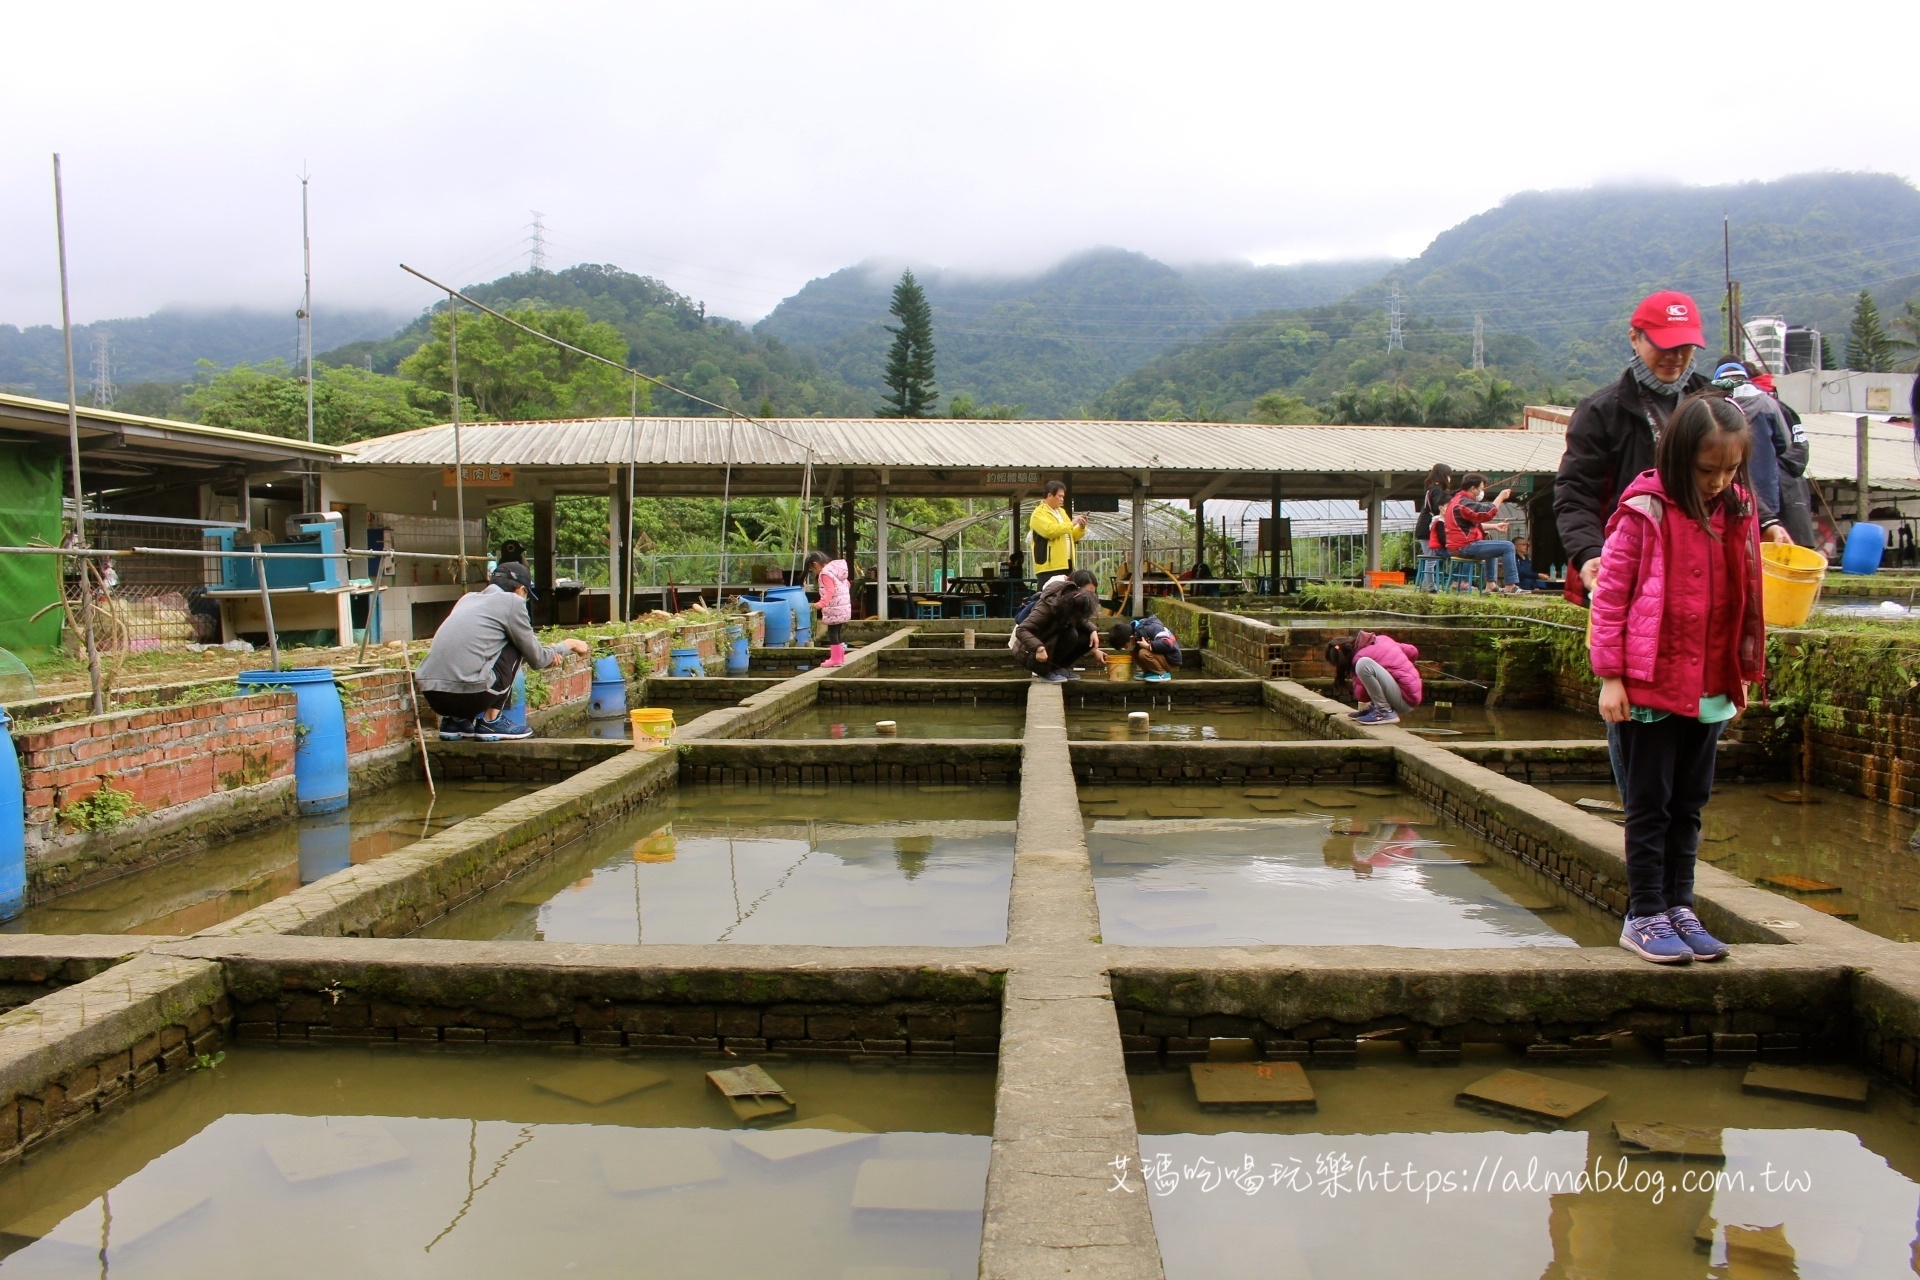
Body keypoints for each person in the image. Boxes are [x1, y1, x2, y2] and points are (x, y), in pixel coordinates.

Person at [1587, 393, 1765, 965]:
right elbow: (1610, 599)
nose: (1718, 481)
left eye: (1731, 470)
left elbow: (1748, 595)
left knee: (1690, 800)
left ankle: (1679, 906)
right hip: (1651, 683)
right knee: (1650, 803)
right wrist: (1611, 676)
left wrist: (1744, 668)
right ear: (1677, 458)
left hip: (1709, 679)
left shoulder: (1737, 510)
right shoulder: (1646, 511)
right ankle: (1643, 913)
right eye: (1706, 470)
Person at [1556, 290, 1792, 605]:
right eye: (1663, 345)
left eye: (1685, 346)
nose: (1675, 357)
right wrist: (1589, 553)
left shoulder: (1713, 400)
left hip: (1700, 567)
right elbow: (1575, 494)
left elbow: (1732, 478)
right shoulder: (1600, 411)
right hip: (1628, 565)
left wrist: (1766, 522)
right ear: (1634, 338)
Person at [415, 561, 590, 741]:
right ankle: (491, 721)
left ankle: (456, 722)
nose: (525, 599)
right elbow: (536, 658)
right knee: (517, 645)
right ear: (520, 589)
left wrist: (549, 653)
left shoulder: (467, 599)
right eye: (526, 595)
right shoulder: (512, 602)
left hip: (433, 695)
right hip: (470, 695)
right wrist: (568, 645)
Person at [1750, 368, 1816, 547]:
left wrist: (1767, 462)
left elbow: (1799, 455)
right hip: (1772, 498)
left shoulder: (1774, 409)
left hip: (1786, 495)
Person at [1431, 473, 1520, 592]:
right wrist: (1500, 497)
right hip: (1465, 546)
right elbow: (1486, 513)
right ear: (1473, 488)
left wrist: (1495, 526)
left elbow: (1471, 524)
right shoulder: (1463, 503)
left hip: (1458, 546)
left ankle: (1491, 585)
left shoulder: (1457, 500)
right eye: (1481, 489)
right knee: (1508, 546)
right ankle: (1510, 586)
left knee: (1491, 546)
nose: (1482, 492)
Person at [1013, 568, 1102, 682]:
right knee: (1071, 634)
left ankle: (1057, 669)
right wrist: (1038, 648)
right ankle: (1045, 672)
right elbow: (1022, 630)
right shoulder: (1049, 605)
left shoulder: (1072, 604)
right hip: (1029, 651)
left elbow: (1081, 620)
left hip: (1048, 643)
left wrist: (1093, 631)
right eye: (1088, 593)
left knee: (1086, 637)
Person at [1326, 630, 1423, 726]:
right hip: (1409, 693)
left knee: (1363, 664)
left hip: (1404, 700)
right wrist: (1398, 664)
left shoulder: (1359, 657)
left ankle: (1384, 710)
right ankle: (1376, 707)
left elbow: (1362, 697)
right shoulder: (1381, 639)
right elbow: (1412, 651)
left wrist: (1354, 673)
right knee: (1367, 666)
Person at [1028, 480, 1088, 589]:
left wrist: (1081, 527)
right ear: (1050, 495)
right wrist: (1072, 523)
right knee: (1048, 598)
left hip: (1066, 564)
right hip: (1049, 567)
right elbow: (1049, 531)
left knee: (1065, 598)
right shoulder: (1038, 513)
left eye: (1063, 497)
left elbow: (1071, 535)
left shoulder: (1061, 512)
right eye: (1059, 496)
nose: (1062, 499)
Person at [807, 550, 851, 667]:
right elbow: (848, 585)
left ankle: (835, 659)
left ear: (815, 564)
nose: (814, 572)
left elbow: (830, 591)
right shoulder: (836, 571)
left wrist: (821, 603)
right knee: (837, 633)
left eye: (812, 569)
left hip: (834, 608)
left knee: (832, 634)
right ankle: (840, 657)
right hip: (843, 608)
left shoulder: (825, 574)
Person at [1107, 614, 1179, 681]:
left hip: (1170, 660)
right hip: (1161, 657)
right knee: (1133, 650)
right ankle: (1148, 672)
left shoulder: (1152, 628)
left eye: (1125, 646)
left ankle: (1162, 674)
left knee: (1143, 652)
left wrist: (1149, 646)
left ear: (1131, 637)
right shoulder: (1137, 634)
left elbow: (1167, 644)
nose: (1126, 649)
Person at [1414, 463, 1453, 548]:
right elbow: (1437, 507)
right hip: (1427, 527)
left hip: (1423, 525)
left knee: (1430, 558)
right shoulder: (1437, 489)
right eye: (1448, 475)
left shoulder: (1431, 488)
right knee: (1431, 559)